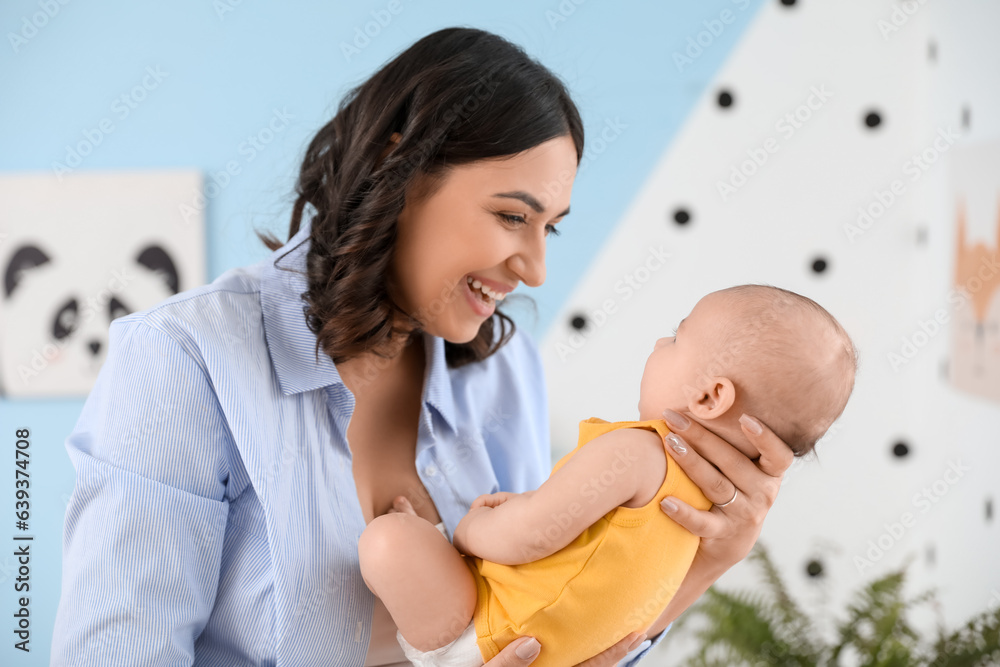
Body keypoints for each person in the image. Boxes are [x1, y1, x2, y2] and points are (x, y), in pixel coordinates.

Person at [50, 27, 797, 667]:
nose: (535, 267)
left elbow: (550, 622)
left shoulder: (504, 374)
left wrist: (702, 563)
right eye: (512, 215)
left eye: (551, 228)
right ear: (398, 168)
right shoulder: (186, 359)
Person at [358, 285, 859, 666]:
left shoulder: (638, 452)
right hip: (553, 655)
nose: (661, 342)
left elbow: (528, 536)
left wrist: (466, 531)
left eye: (678, 335)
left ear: (709, 397)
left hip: (485, 629)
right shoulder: (704, 513)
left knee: (388, 540)